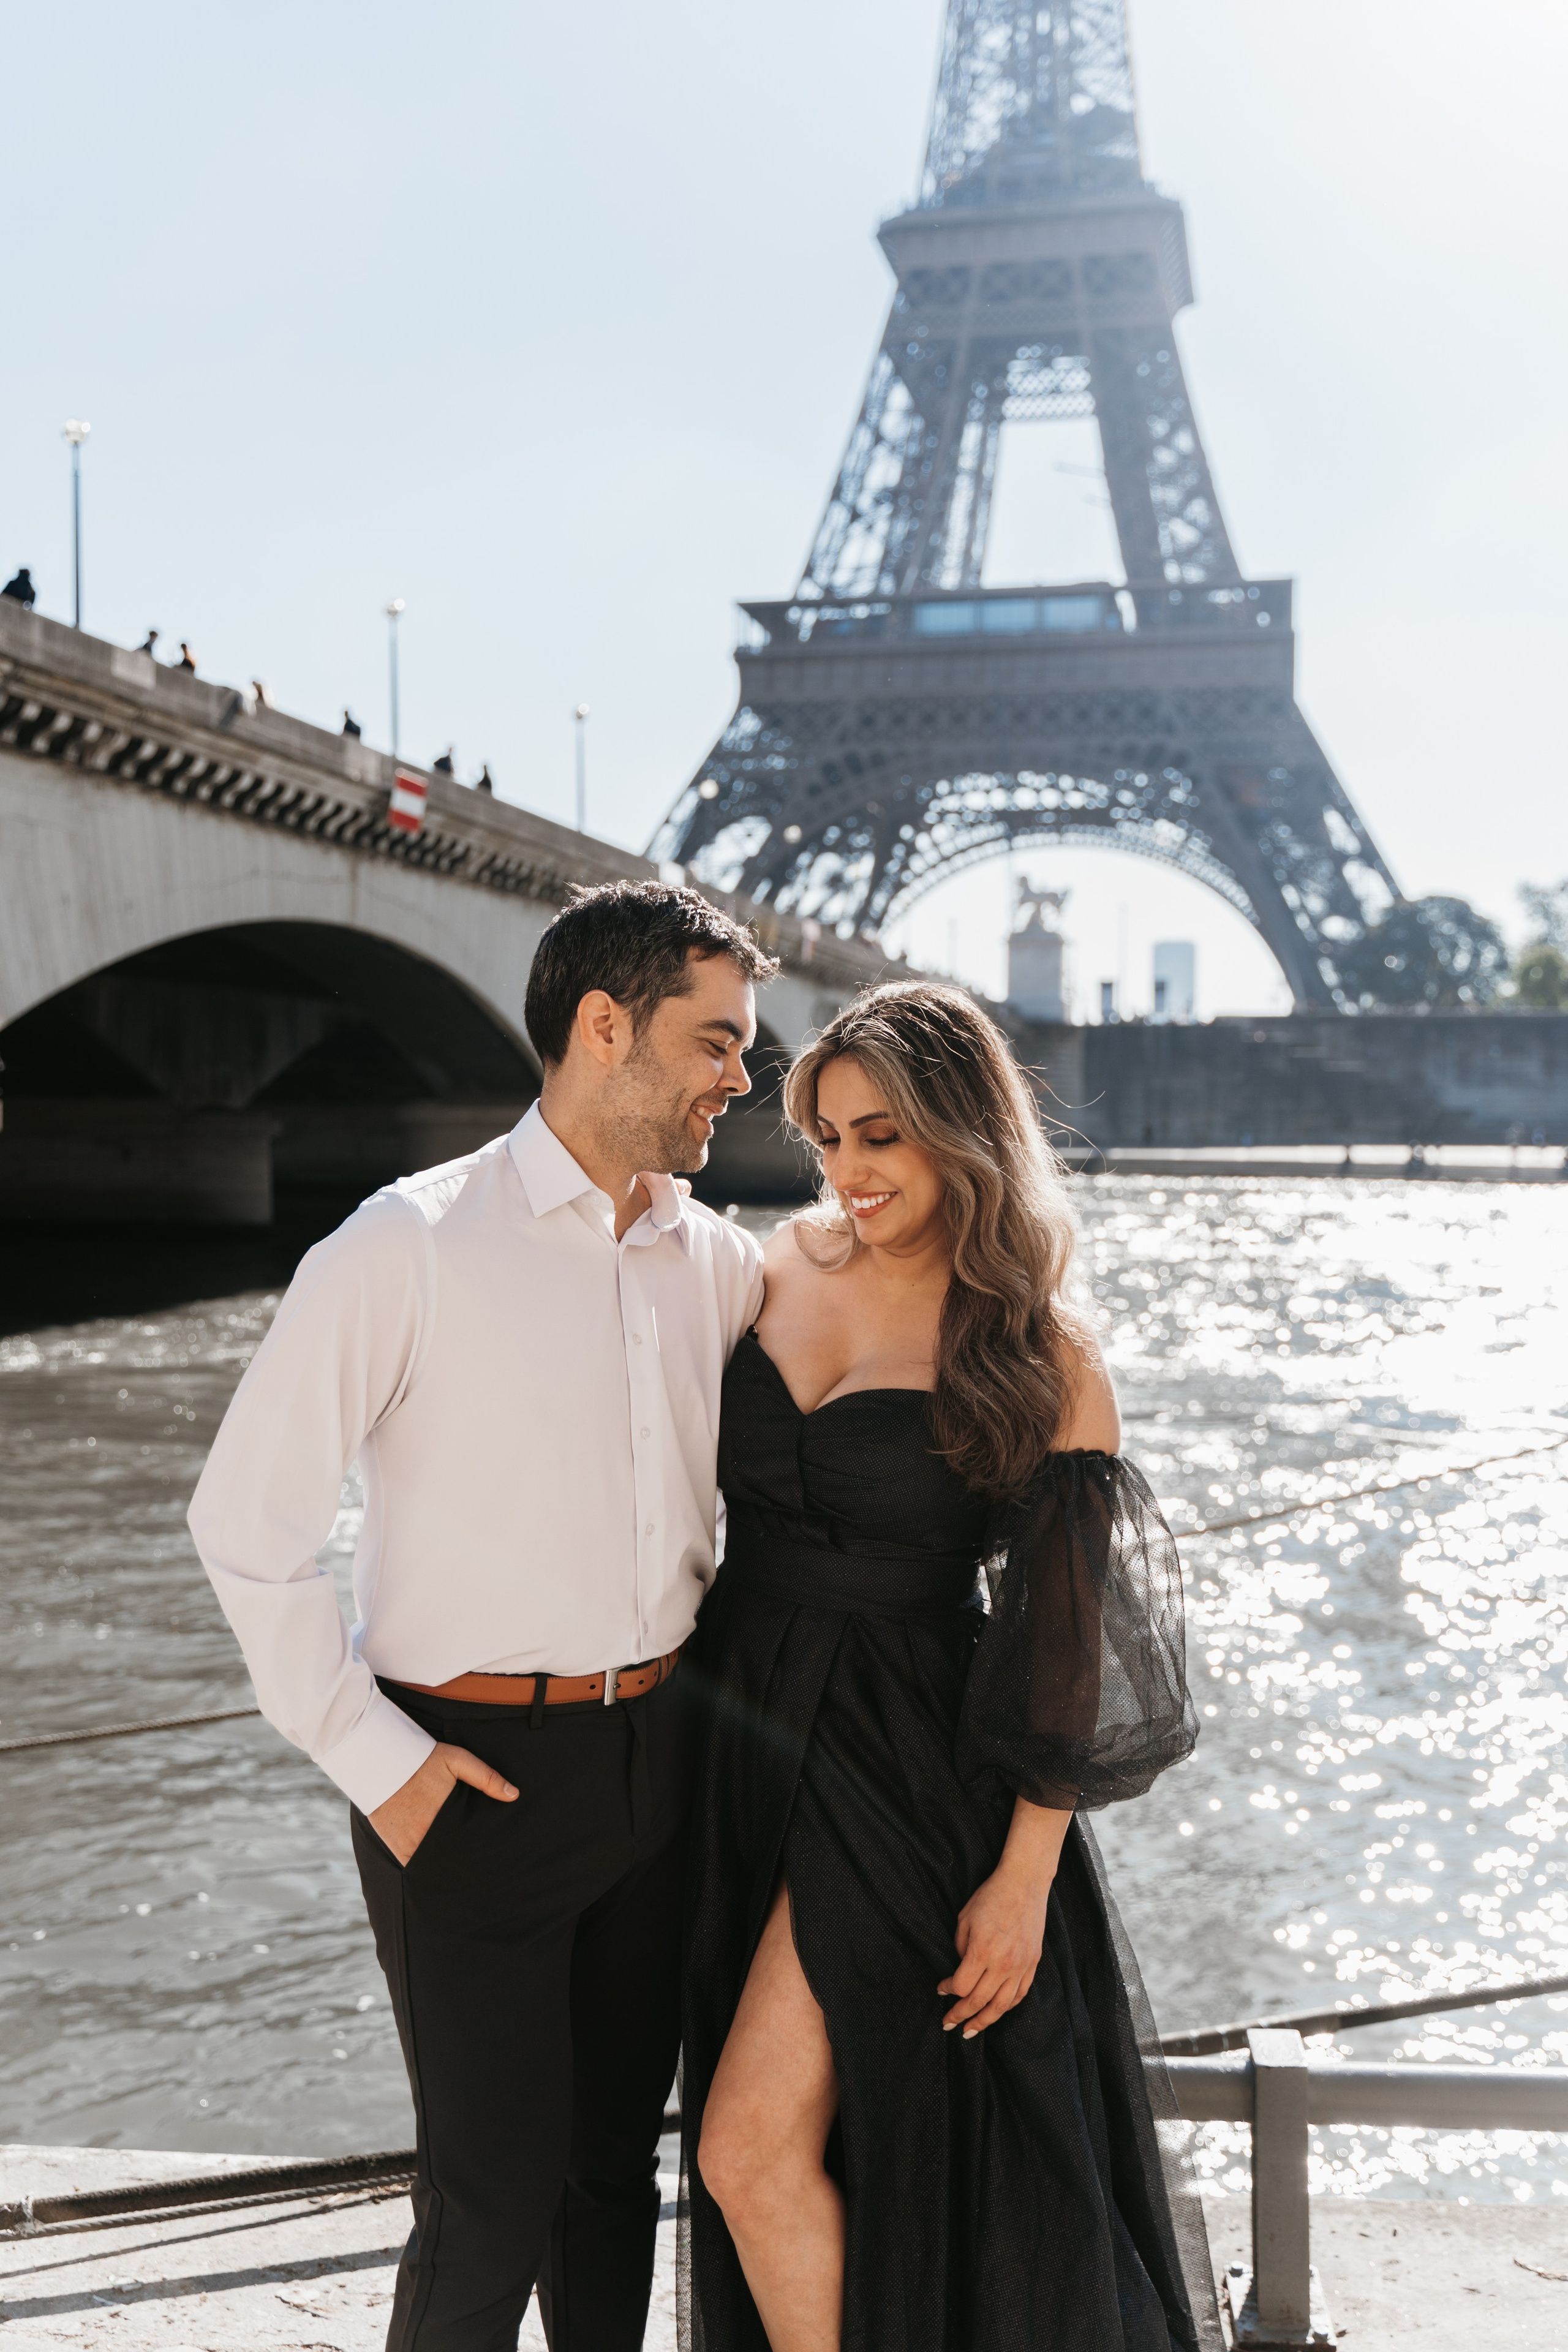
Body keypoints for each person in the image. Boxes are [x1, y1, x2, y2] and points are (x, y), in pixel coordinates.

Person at [187, 880, 778, 2352]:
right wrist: (375, 1764)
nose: (741, 1077)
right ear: (603, 1027)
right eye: (714, 1043)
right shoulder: (405, 1245)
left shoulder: (719, 1261)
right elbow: (242, 1527)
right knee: (488, 2201)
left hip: (660, 1763)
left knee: (607, 2187)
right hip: (467, 1778)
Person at [683, 982, 1219, 2352]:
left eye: (881, 1139)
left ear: (960, 1136)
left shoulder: (1042, 1355)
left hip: (908, 1767)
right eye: (826, 1140)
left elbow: (1065, 1648)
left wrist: (1022, 1880)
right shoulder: (761, 1270)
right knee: (826, 2141)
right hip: (738, 1739)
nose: (847, 1174)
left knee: (747, 2150)